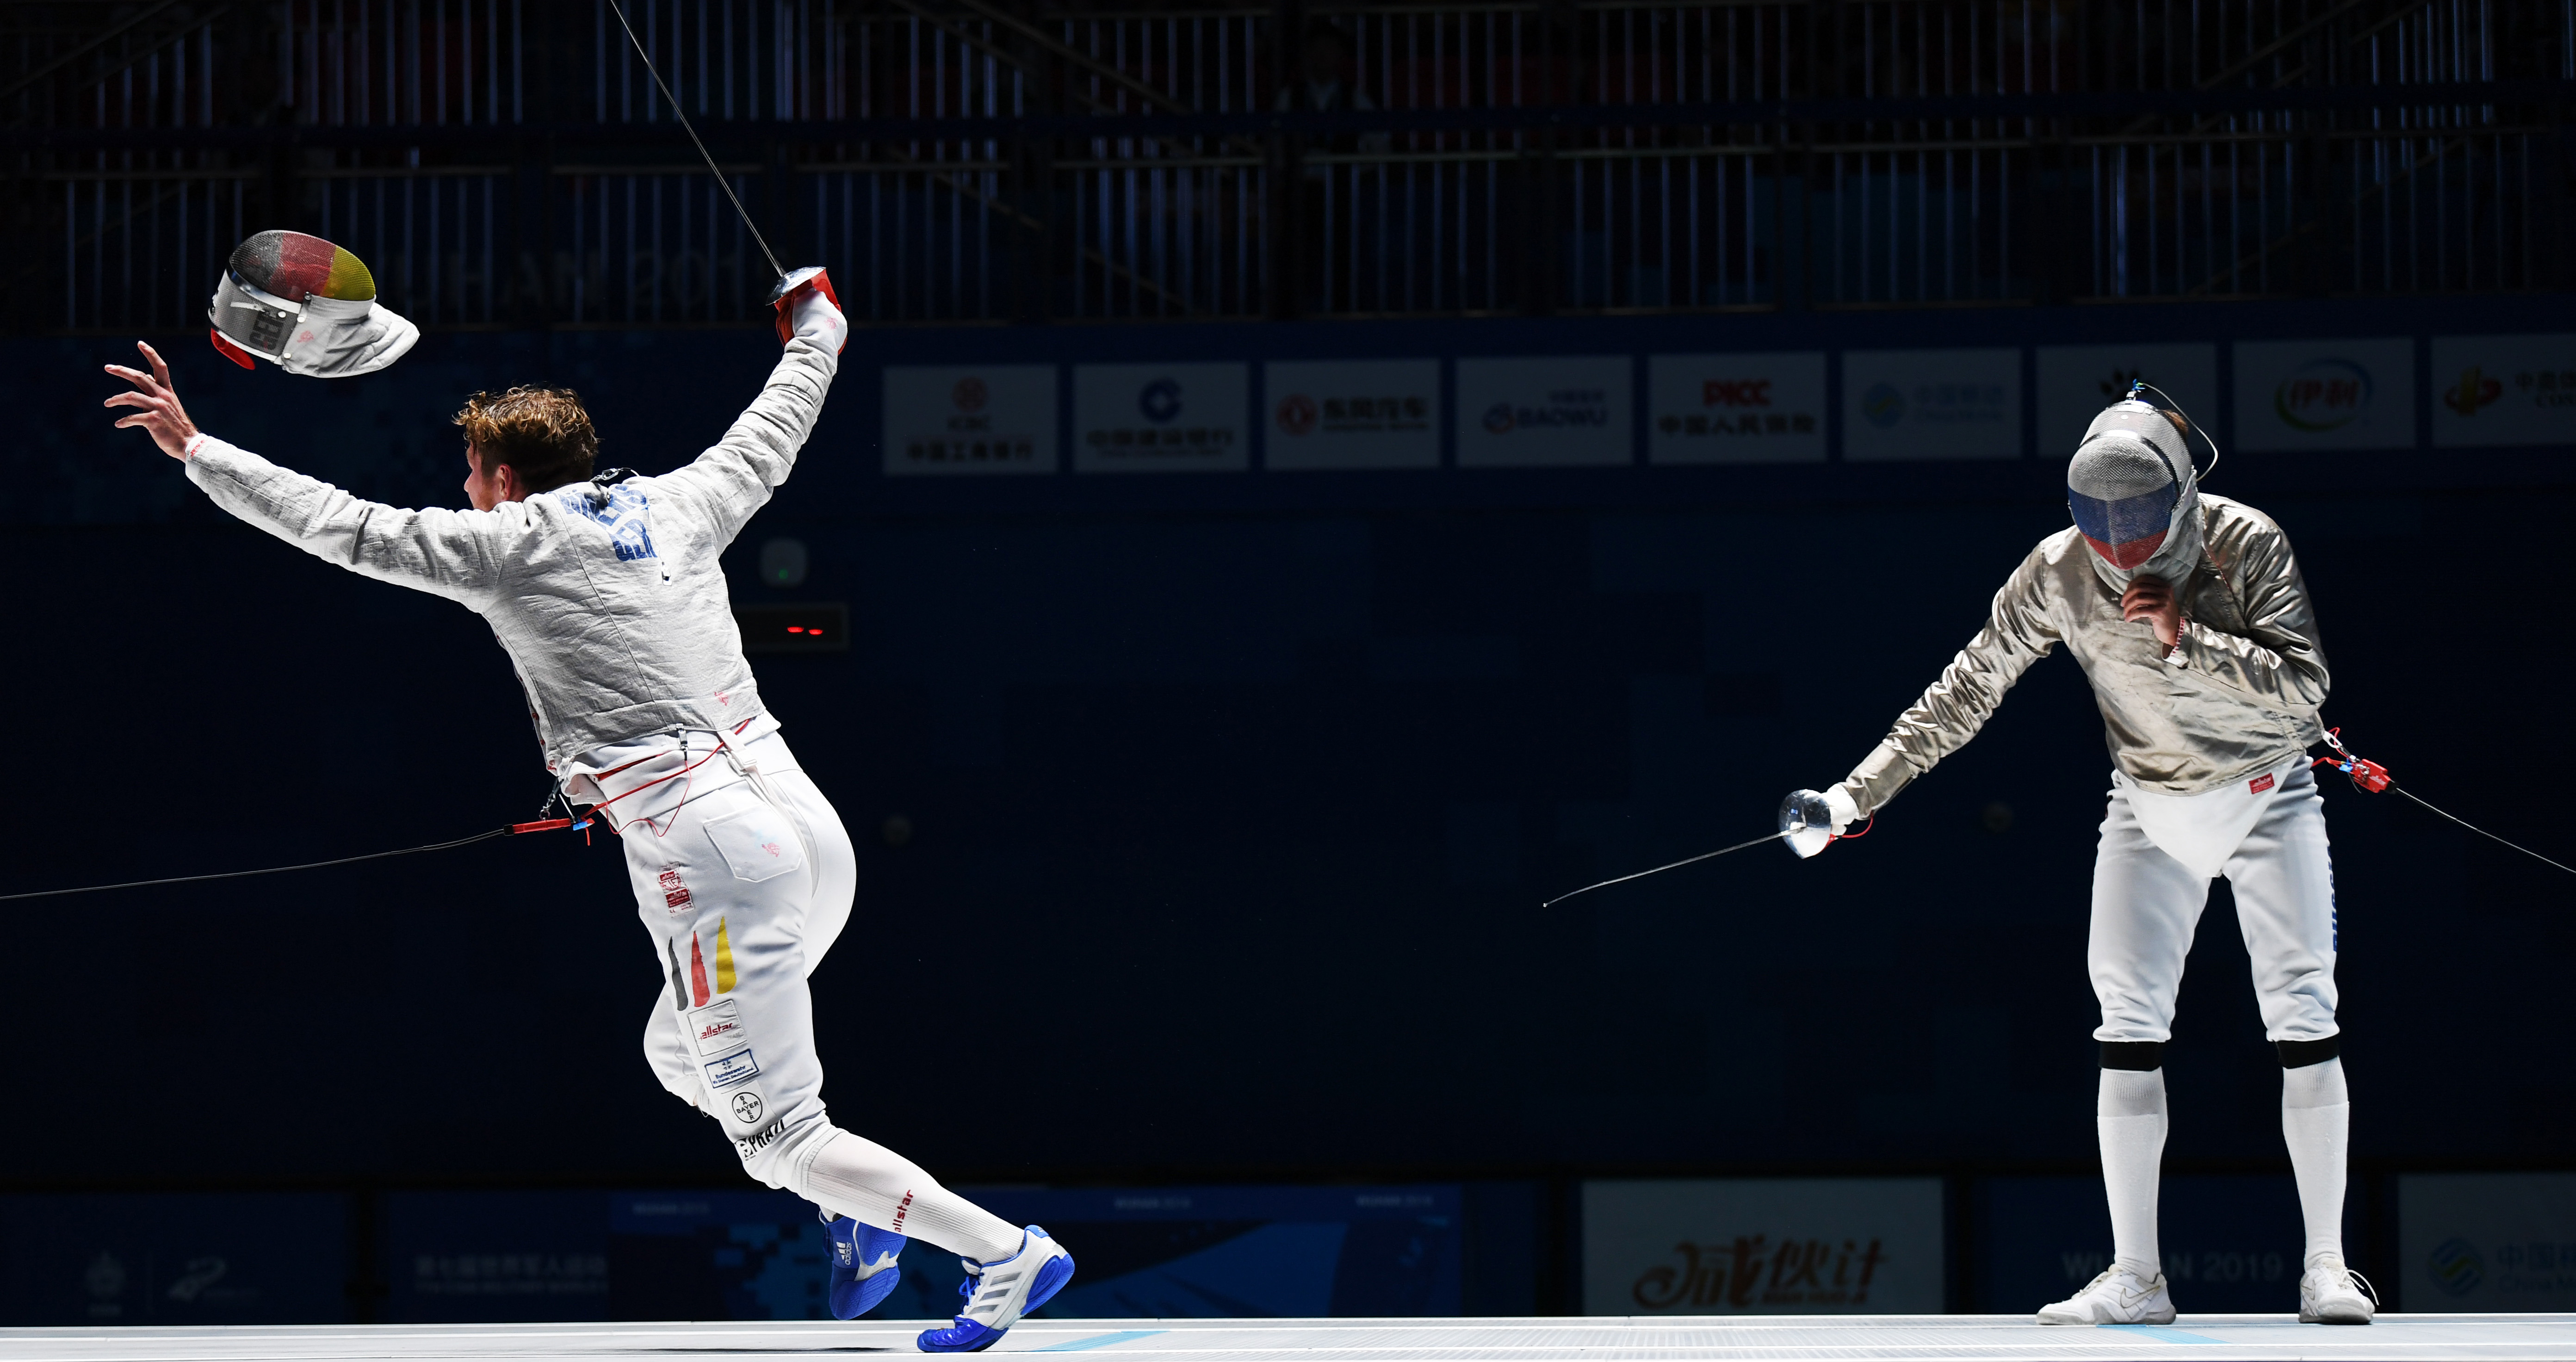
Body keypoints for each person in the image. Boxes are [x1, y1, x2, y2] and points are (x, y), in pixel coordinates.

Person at [102, 274, 1074, 1352]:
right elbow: (782, 414)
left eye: (471, 473)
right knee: (679, 1052)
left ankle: (1003, 1252)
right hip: (810, 830)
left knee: (779, 1135)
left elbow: (343, 526)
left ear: (505, 478)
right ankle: (858, 1206)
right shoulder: (683, 501)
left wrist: (197, 448)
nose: (465, 490)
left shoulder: (504, 545)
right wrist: (821, 322)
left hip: (717, 859)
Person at [1791, 393, 2373, 1326]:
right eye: (2101, 527)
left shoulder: (2245, 542)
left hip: (2268, 797)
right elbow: (1966, 689)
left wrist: (2188, 640)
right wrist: (1852, 797)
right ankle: (2138, 1277)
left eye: (2140, 524)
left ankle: (2327, 1268)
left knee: (2304, 1013)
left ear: (2180, 497)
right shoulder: (2059, 571)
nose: (2122, 550)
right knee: (2127, 1023)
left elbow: (2305, 694)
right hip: (2148, 806)